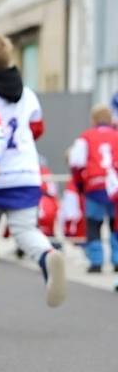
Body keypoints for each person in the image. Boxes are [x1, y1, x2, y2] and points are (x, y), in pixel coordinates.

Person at [0, 31, 66, 324]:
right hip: (26, 173)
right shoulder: (28, 94)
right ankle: (46, 256)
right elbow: (36, 128)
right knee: (26, 230)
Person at [68, 104, 118, 272]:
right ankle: (117, 259)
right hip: (115, 187)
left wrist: (79, 183)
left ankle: (96, 261)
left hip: (95, 186)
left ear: (93, 120)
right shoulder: (116, 136)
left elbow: (76, 162)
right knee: (115, 224)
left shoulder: (86, 137)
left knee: (94, 224)